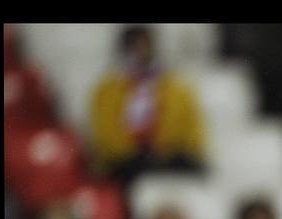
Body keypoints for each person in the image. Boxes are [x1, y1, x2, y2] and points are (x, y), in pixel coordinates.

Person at [88, 24, 205, 184]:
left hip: (169, 159)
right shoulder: (107, 90)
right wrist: (137, 153)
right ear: (124, 50)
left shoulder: (177, 88)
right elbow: (105, 134)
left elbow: (192, 128)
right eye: (135, 46)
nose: (141, 52)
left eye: (146, 45)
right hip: (127, 163)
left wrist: (167, 151)